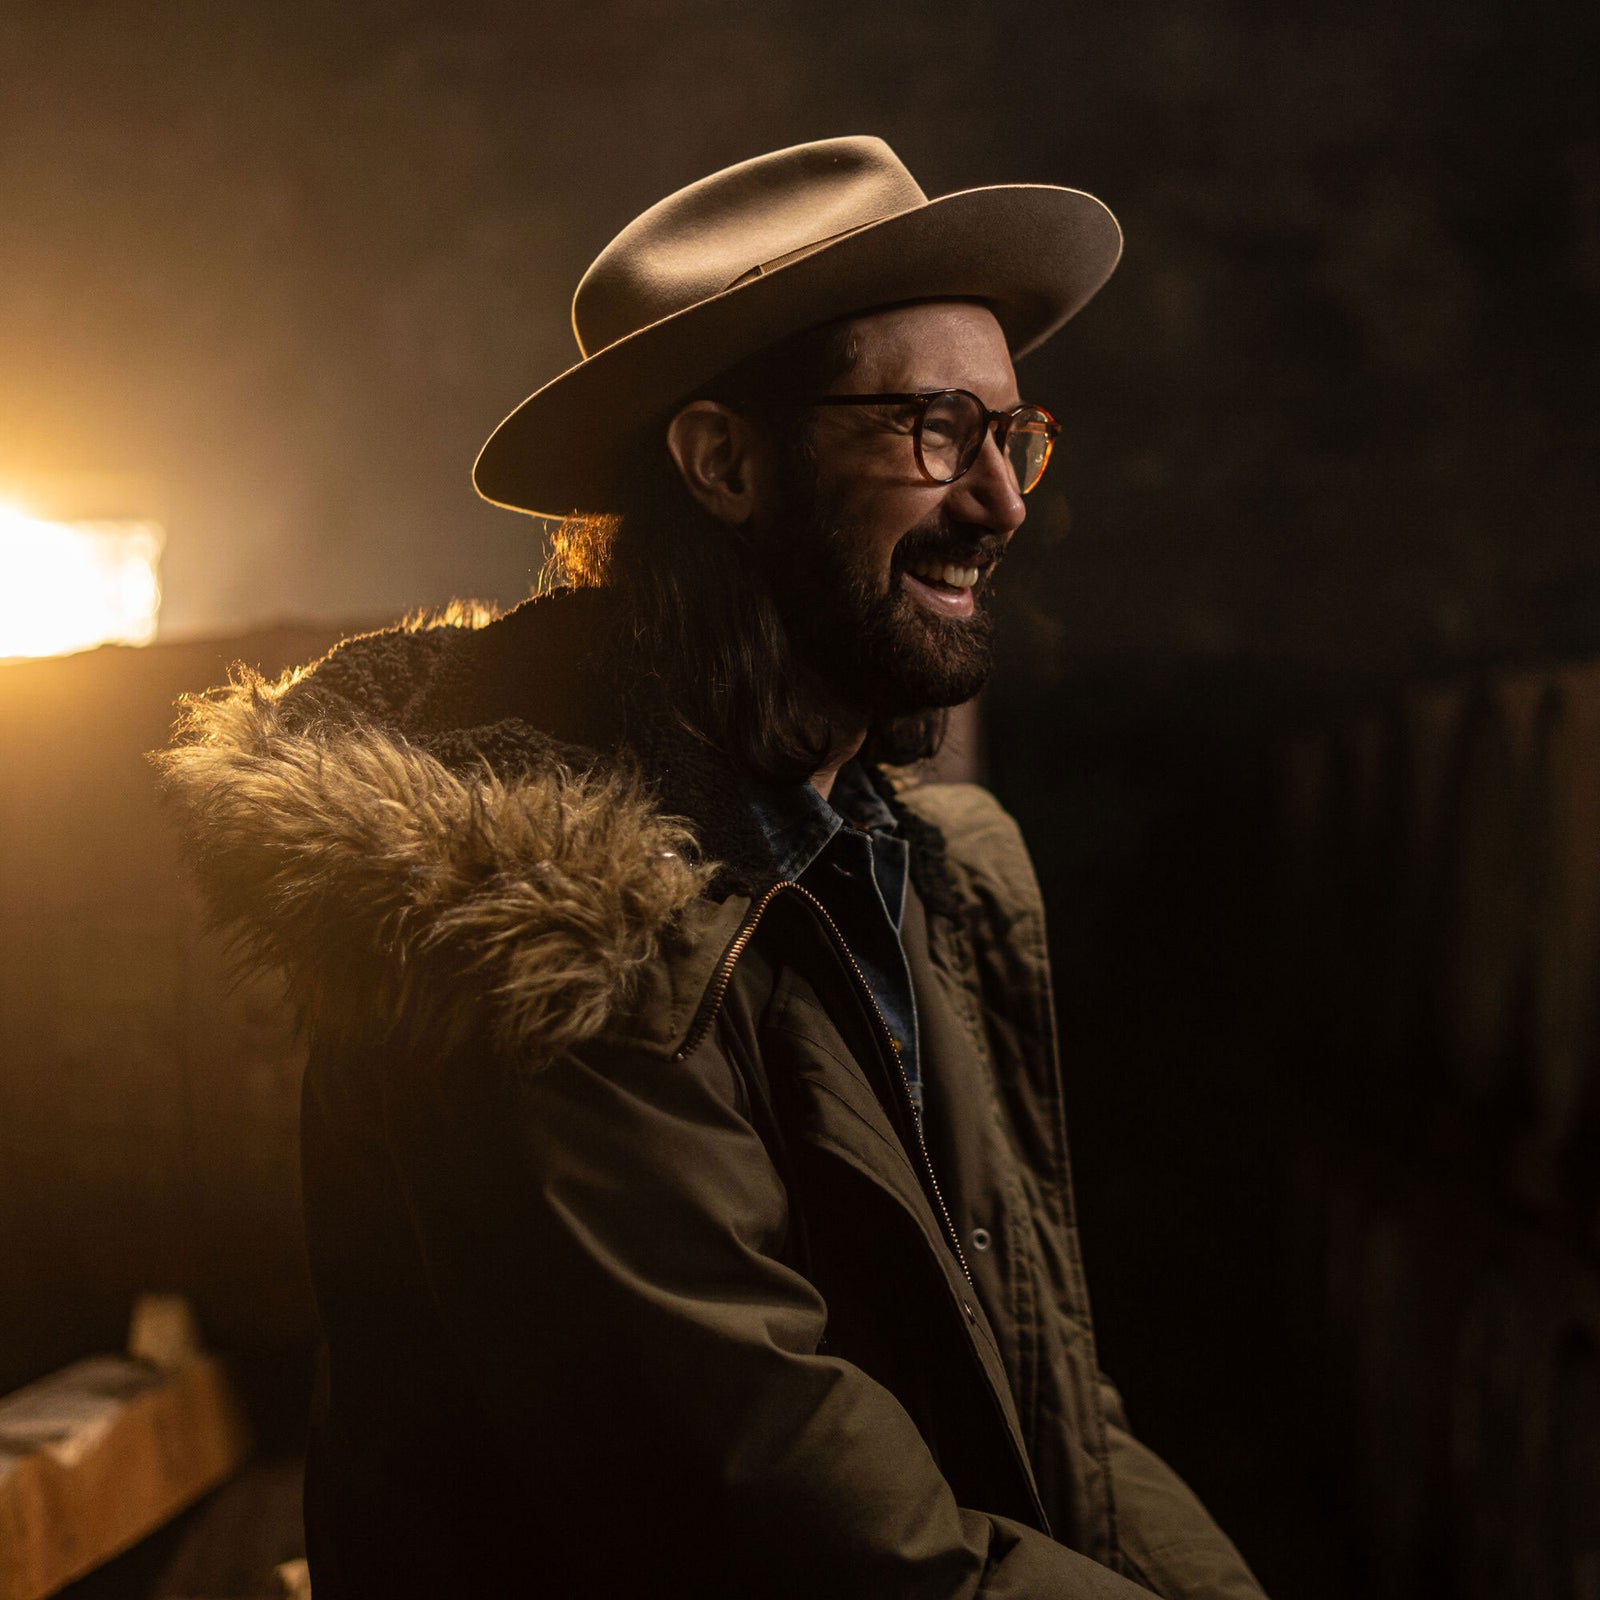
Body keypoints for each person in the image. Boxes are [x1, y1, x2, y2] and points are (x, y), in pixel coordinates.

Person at [159, 136, 1266, 1598]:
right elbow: (801, 1530)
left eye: (1016, 434)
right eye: (936, 428)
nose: (1002, 504)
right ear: (727, 462)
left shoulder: (904, 862)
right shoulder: (542, 933)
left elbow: (1050, 1395)